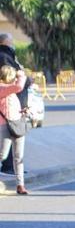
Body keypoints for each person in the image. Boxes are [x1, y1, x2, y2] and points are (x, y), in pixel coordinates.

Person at [0, 66, 28, 194]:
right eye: (13, 76)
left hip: (17, 123)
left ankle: (20, 185)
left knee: (18, 156)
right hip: (4, 125)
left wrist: (22, 111)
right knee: (2, 155)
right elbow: (19, 87)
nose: (15, 79)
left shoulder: (10, 90)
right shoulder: (2, 88)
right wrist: (22, 75)